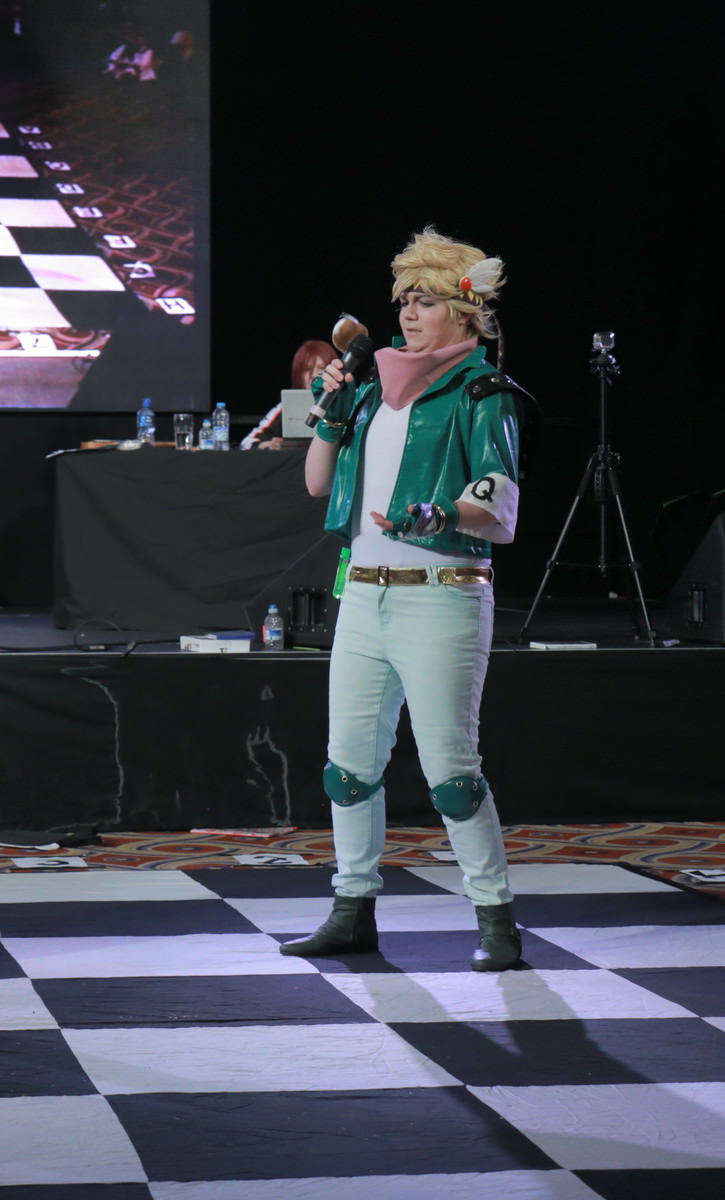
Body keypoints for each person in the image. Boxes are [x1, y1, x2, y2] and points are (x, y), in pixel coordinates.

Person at [285, 227, 532, 971]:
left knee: (451, 773)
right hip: (363, 595)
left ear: (465, 310)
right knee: (347, 766)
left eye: (424, 301)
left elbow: (500, 502)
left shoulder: (483, 392)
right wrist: (331, 409)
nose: (408, 313)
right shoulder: (370, 389)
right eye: (404, 301)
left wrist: (440, 513)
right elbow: (317, 484)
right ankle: (351, 909)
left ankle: (496, 920)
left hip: (441, 597)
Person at [241, 339, 336, 449]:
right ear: (298, 374)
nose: (314, 374)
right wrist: (268, 445)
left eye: (321, 368)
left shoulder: (345, 403)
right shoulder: (285, 407)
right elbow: (247, 442)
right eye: (307, 369)